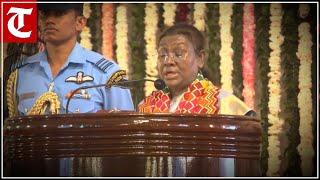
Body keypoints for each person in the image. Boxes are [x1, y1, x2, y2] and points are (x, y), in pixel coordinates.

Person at [5, 3, 134, 117]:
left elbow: (126, 133)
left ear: (80, 22)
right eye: (45, 14)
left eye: (58, 14)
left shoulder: (107, 73)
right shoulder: (21, 73)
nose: (49, 20)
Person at [138, 23, 255, 116]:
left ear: (200, 58)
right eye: (162, 55)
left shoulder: (224, 104)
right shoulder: (146, 106)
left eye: (178, 54)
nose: (168, 61)